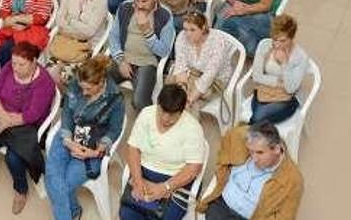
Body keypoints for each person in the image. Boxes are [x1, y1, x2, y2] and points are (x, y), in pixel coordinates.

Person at [0, 42, 56, 215]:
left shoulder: (44, 82)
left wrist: (6, 122)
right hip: (4, 114)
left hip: (28, 125)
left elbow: (32, 114)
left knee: (14, 158)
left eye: (21, 64)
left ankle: (21, 191)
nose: (15, 68)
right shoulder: (9, 67)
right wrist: (3, 117)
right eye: (14, 62)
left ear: (33, 62)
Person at [45, 55, 126, 220]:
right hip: (69, 134)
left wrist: (95, 153)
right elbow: (67, 112)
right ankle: (73, 211)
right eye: (81, 87)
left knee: (61, 186)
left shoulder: (115, 99)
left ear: (101, 82)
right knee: (52, 178)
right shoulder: (77, 82)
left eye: (88, 89)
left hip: (91, 147)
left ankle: (72, 212)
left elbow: (114, 130)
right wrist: (67, 140)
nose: (83, 92)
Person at [120, 84, 207, 220]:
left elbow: (193, 168)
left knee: (165, 217)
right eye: (162, 111)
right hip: (143, 173)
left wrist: (165, 187)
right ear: (158, 103)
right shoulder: (146, 114)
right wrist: (137, 180)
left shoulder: (193, 128)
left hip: (175, 179)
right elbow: (133, 148)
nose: (165, 119)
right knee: (128, 215)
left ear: (182, 110)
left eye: (172, 115)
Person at [197, 123, 304, 219]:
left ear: (276, 149)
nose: (254, 158)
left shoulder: (292, 180)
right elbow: (230, 137)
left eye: (260, 152)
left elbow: (285, 216)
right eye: (251, 152)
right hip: (221, 205)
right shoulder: (241, 138)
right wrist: (222, 173)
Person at [47, 0, 109, 79]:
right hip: (64, 43)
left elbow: (89, 32)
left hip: (85, 48)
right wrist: (74, 29)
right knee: (47, 75)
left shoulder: (101, 1)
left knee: (63, 77)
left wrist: (70, 21)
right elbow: (59, 19)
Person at [249, 15, 311, 126]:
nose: (277, 44)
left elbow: (291, 89)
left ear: (292, 38)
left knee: (257, 118)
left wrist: (284, 64)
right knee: (258, 119)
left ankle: (246, 138)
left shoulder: (300, 57)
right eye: (275, 39)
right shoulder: (265, 45)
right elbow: (256, 76)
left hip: (287, 99)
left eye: (282, 41)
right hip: (264, 91)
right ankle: (264, 140)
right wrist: (278, 82)